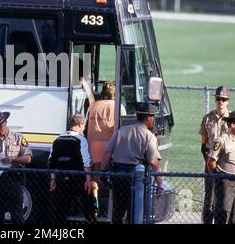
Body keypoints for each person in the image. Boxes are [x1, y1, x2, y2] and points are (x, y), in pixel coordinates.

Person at [101, 102, 162, 224]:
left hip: (118, 175)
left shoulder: (122, 131)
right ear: (148, 117)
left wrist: (103, 172)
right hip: (136, 178)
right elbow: (153, 161)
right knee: (135, 211)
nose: (154, 119)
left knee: (117, 211)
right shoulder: (149, 136)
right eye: (153, 116)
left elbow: (107, 152)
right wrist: (159, 182)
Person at [0, 110, 32, 224]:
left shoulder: (18, 137)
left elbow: (28, 158)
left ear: (5, 122)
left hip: (13, 179)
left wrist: (13, 159)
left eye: (0, 126)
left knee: (17, 215)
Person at [48, 113, 94, 223]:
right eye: (84, 125)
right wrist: (88, 179)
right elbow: (86, 161)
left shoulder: (57, 139)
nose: (84, 128)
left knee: (60, 211)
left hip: (60, 179)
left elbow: (51, 162)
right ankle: (91, 220)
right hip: (78, 179)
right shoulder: (81, 139)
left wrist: (53, 179)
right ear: (80, 124)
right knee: (88, 206)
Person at [207, 110, 235, 224]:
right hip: (225, 183)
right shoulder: (221, 141)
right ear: (232, 124)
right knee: (223, 216)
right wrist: (217, 177)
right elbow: (211, 161)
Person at [199, 85, 230, 224]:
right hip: (210, 161)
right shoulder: (207, 118)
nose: (220, 102)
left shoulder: (232, 120)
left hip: (226, 164)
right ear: (215, 100)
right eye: (218, 99)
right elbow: (203, 144)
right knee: (209, 196)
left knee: (224, 197)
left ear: (228, 101)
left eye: (223, 99)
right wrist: (209, 162)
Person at [86, 81, 116, 216]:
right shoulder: (115, 106)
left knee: (94, 178)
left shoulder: (93, 105)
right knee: (109, 176)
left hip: (92, 145)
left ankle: (95, 205)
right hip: (108, 146)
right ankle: (108, 206)